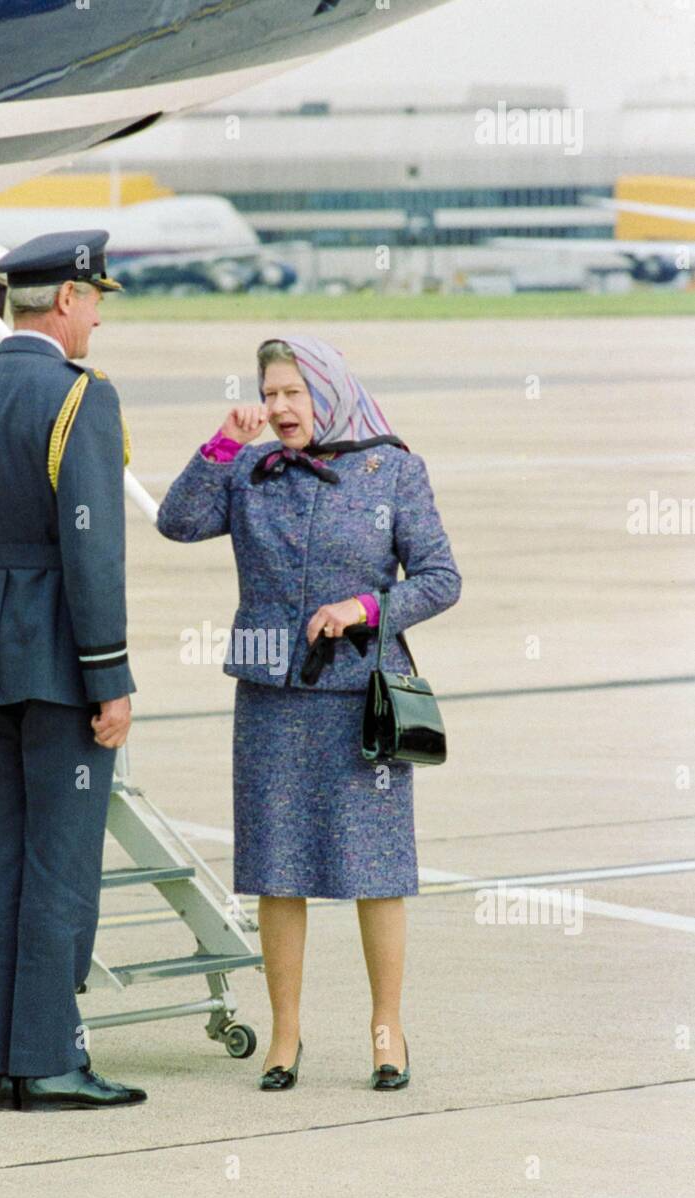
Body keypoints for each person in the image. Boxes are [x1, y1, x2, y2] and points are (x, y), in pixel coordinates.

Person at [156, 334, 461, 1091]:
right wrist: (222, 444)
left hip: (363, 700)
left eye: (293, 392)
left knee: (374, 870)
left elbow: (440, 577)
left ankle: (386, 1029)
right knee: (275, 869)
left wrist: (365, 606)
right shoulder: (252, 471)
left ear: (327, 391)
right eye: (270, 394)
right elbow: (176, 522)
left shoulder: (392, 468)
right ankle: (284, 1035)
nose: (279, 407)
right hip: (270, 695)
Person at [0, 229, 146, 1113]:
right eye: (93, 302)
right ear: (62, 303)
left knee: (7, 863)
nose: (94, 319)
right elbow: (93, 551)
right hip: (61, 658)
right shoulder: (78, 397)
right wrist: (109, 674)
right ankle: (47, 1060)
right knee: (59, 863)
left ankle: (13, 1060)